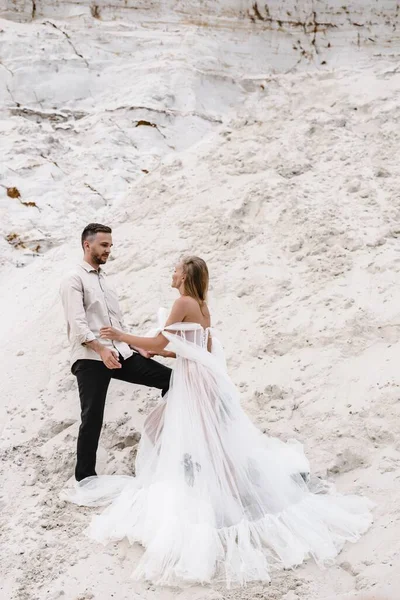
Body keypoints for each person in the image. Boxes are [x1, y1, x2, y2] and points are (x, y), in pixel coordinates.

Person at [63, 255, 373, 587]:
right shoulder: (200, 304)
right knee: (179, 431)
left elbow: (160, 341)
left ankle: (224, 493)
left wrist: (123, 336)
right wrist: (162, 354)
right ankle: (213, 481)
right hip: (200, 376)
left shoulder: (182, 301)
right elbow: (196, 346)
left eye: (176, 269)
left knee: (195, 437)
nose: (172, 272)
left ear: (184, 276)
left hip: (195, 382)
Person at [59, 223, 171, 482]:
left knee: (172, 380)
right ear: (87, 245)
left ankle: (168, 442)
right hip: (90, 358)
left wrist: (134, 346)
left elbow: (115, 325)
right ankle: (85, 478)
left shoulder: (104, 280)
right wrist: (100, 350)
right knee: (92, 417)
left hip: (120, 353)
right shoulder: (73, 279)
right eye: (104, 245)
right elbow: (77, 325)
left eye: (110, 245)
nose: (109, 250)